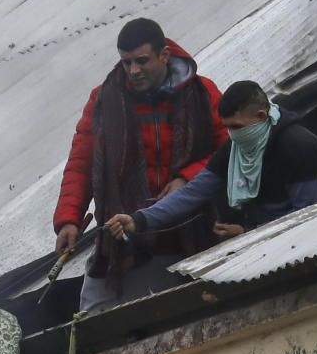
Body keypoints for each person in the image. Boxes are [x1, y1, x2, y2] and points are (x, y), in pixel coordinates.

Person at [52, 17, 228, 313]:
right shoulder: (103, 100)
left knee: (174, 316)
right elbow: (82, 163)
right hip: (118, 239)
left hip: (185, 234)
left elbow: (230, 152)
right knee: (91, 322)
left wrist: (187, 179)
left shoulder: (202, 93)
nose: (134, 70)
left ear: (165, 56)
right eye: (126, 62)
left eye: (142, 61)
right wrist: (69, 219)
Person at [104, 80, 317, 249]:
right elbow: (192, 192)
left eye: (237, 127)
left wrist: (248, 233)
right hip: (276, 232)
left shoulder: (296, 146)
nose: (232, 135)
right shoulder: (237, 150)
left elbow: (308, 214)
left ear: (262, 117)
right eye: (228, 127)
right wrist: (139, 220)